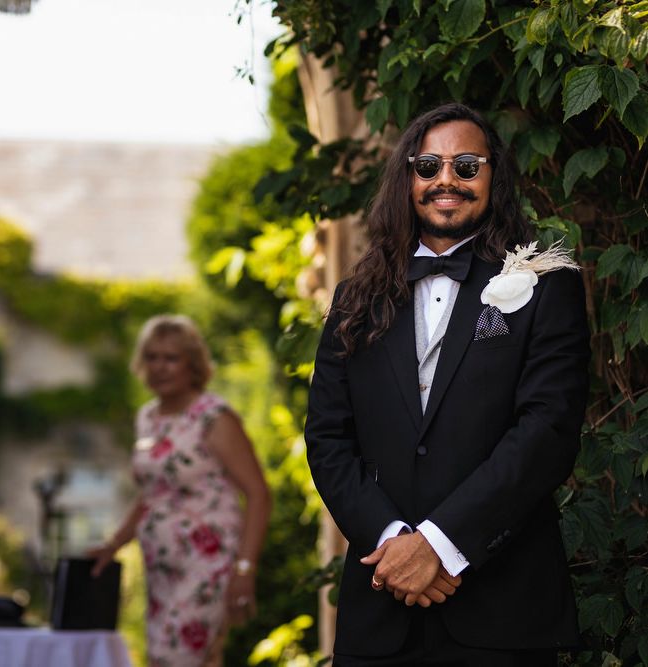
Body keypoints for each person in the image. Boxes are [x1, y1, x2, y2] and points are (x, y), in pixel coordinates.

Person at [305, 103, 590, 666]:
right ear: (407, 177)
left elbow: (546, 432)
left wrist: (440, 545)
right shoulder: (355, 299)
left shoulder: (543, 285)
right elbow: (327, 437)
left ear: (494, 178)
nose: (445, 180)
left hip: (502, 613)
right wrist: (393, 543)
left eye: (466, 166)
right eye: (428, 164)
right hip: (381, 612)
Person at [90, 314, 271, 667]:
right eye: (152, 357)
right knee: (172, 658)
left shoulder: (213, 417)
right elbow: (152, 493)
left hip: (207, 565)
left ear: (193, 364)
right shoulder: (147, 418)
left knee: (176, 657)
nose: (160, 367)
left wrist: (245, 570)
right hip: (160, 568)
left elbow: (259, 494)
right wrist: (114, 545)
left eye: (171, 358)